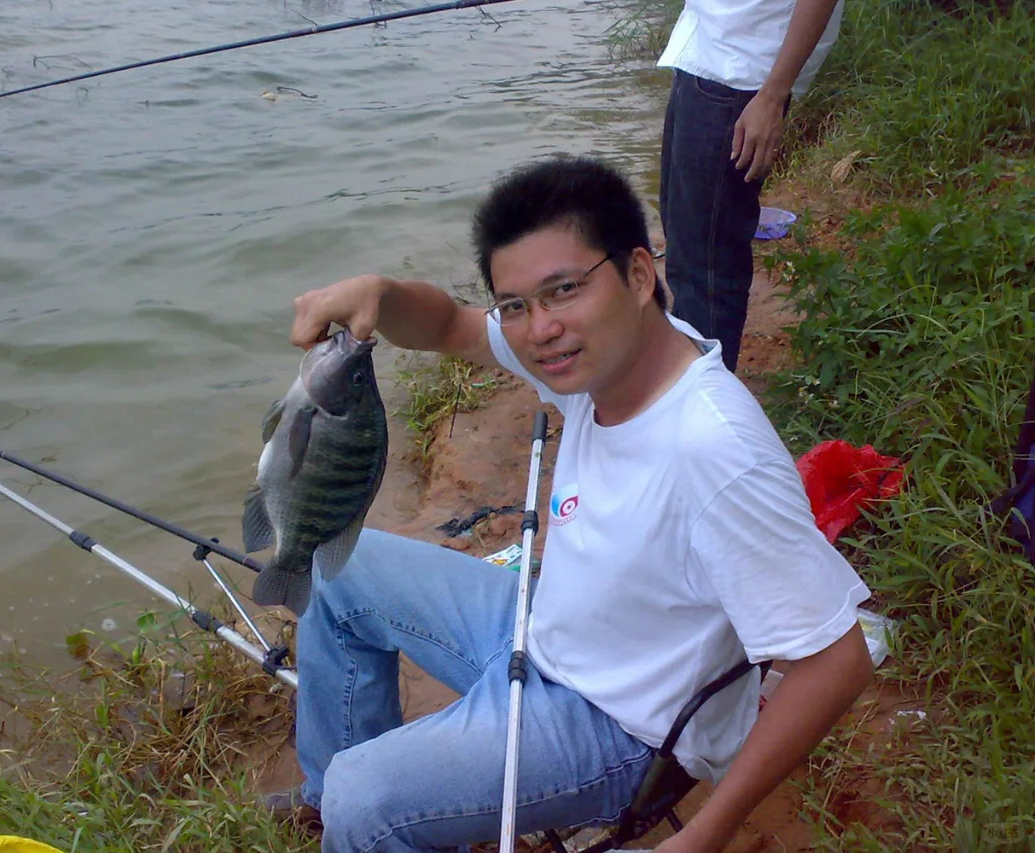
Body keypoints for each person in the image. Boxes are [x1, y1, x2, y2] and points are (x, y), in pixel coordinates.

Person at [264, 154, 874, 853]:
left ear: (639, 275)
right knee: (341, 567)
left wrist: (706, 834)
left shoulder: (715, 449)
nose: (540, 328)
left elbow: (838, 659)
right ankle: (324, 800)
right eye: (516, 305)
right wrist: (379, 291)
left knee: (366, 796)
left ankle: (357, 815)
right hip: (548, 628)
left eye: (563, 290)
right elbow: (451, 328)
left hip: (618, 724)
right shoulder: (596, 364)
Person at [658, 0, 845, 371]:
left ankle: (704, 401)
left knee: (708, 268)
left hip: (740, 75)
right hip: (704, 53)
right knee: (685, 249)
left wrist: (773, 95)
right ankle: (686, 382)